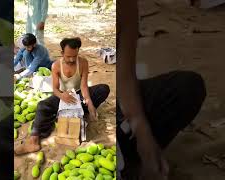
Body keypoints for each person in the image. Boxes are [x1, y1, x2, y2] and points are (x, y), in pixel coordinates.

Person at [118, 1, 206, 180]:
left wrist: (142, 133)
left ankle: (134, 159)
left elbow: (124, 78)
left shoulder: (125, 5)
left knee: (187, 88)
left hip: (117, 106)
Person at [14, 37, 110, 155]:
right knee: (42, 106)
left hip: (79, 94)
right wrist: (62, 95)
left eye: (75, 56)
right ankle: (33, 140)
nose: (72, 59)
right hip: (63, 95)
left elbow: (84, 86)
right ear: (62, 53)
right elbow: (55, 89)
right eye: (68, 56)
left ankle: (82, 111)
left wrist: (89, 102)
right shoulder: (56, 66)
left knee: (103, 89)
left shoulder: (83, 63)